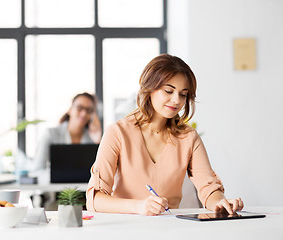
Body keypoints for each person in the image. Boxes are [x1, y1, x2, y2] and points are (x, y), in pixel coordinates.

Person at [86, 54, 244, 216]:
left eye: (183, 94)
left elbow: (208, 189)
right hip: (125, 228)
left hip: (170, 229)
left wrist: (220, 202)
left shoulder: (189, 137)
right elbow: (95, 199)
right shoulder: (118, 132)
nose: (176, 100)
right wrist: (139, 207)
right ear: (149, 88)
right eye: (169, 91)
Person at [29, 92, 102, 172]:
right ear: (70, 110)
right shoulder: (50, 134)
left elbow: (99, 172)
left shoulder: (92, 139)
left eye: (88, 110)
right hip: (54, 184)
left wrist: (98, 140)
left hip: (83, 184)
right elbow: (37, 169)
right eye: (79, 108)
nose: (84, 113)